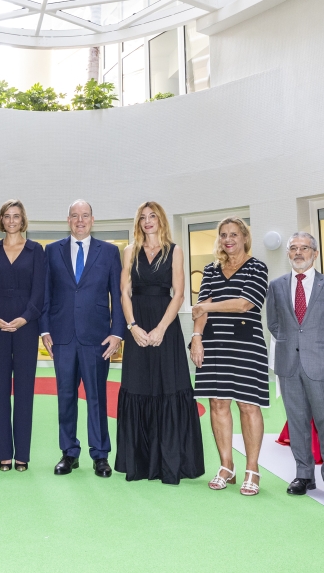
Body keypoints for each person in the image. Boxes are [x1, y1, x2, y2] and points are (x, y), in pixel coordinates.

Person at [116, 202, 204, 484]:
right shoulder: (130, 251)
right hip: (138, 326)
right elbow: (124, 293)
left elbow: (178, 294)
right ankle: (140, 464)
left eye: (152, 216)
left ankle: (171, 463)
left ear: (161, 220)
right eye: (142, 218)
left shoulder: (175, 250)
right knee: (138, 386)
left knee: (169, 387)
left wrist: (161, 329)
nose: (147, 221)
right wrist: (133, 327)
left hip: (166, 327)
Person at [41, 200, 124, 478]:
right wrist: (44, 329)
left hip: (97, 337)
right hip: (62, 336)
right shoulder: (51, 251)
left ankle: (100, 455)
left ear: (92, 219)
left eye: (84, 215)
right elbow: (45, 294)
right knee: (65, 396)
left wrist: (117, 331)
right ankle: (69, 453)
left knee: (97, 397)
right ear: (68, 220)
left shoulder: (110, 252)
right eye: (75, 216)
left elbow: (118, 295)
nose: (80, 220)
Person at [266, 232, 324, 501]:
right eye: (293, 248)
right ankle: (304, 475)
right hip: (289, 365)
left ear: (315, 253)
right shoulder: (276, 286)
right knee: (297, 423)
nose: (298, 252)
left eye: (304, 248)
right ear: (288, 254)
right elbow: (274, 324)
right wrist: (294, 346)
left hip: (322, 366)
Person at [191, 216, 268, 496]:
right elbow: (201, 310)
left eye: (234, 234)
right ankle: (227, 467)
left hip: (246, 345)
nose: (228, 239)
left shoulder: (257, 268)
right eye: (223, 235)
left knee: (248, 406)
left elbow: (244, 304)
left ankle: (252, 469)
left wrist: (207, 307)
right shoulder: (211, 270)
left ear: (245, 237)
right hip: (213, 345)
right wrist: (196, 339)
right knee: (218, 404)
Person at [0, 199, 45, 472]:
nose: (12, 220)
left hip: (27, 326)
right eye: (7, 216)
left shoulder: (36, 250)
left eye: (17, 216)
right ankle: (3, 453)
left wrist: (26, 317)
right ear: (1, 220)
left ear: (23, 219)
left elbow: (40, 291)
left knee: (25, 391)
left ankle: (22, 455)